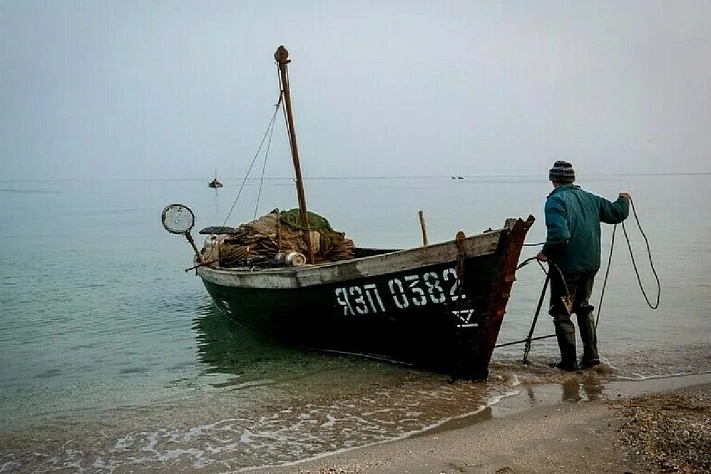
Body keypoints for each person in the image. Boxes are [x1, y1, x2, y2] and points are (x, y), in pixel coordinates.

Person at [536, 160, 630, 371]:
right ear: (572, 179)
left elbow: (560, 236)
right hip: (591, 264)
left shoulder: (555, 201)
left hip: (566, 267)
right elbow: (617, 213)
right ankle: (591, 357)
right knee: (583, 306)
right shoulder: (591, 199)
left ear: (553, 180)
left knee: (562, 312)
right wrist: (624, 199)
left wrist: (545, 252)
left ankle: (568, 363)